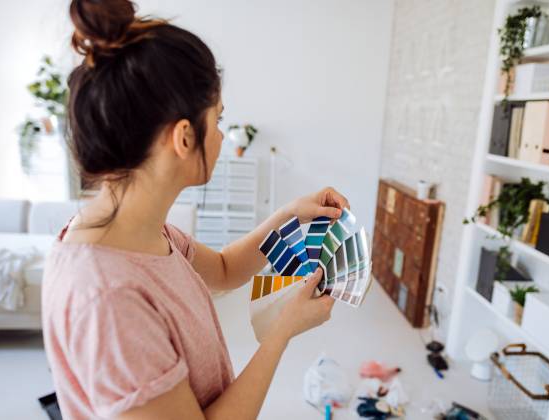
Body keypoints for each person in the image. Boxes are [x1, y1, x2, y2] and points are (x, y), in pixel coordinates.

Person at [41, 1, 349, 418]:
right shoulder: (109, 300)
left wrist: (290, 218)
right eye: (218, 120)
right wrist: (280, 333)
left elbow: (223, 269)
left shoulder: (140, 232)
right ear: (184, 137)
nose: (221, 137)